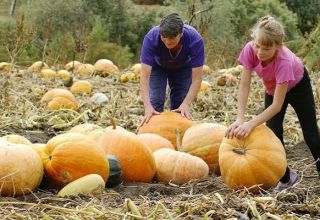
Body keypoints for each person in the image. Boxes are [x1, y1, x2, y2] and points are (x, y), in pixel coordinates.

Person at [225, 15, 320, 191]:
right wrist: (240, 118)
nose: (260, 52)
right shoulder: (250, 50)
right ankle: (286, 178)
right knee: (273, 132)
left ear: (278, 46)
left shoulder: (285, 61)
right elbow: (245, 84)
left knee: (311, 134)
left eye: (267, 49)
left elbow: (277, 105)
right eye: (257, 46)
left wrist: (251, 124)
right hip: (272, 88)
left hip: (298, 86)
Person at [139, 13, 204, 126]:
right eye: (164, 37)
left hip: (183, 68)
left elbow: (197, 78)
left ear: (181, 34)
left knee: (180, 105)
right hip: (158, 67)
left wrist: (186, 104)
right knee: (155, 102)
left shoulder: (195, 39)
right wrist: (147, 106)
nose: (168, 42)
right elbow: (144, 76)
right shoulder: (151, 38)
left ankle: (176, 135)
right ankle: (155, 136)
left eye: (172, 38)